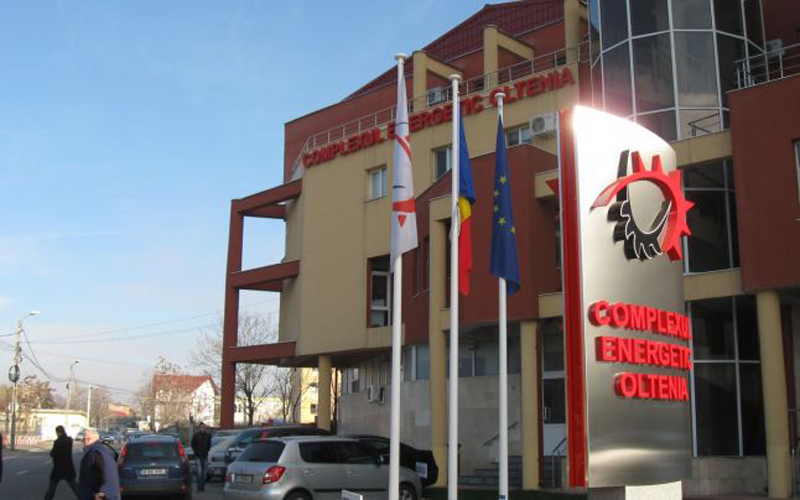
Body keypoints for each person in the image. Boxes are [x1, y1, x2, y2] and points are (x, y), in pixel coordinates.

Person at [78, 429, 120, 500]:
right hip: (109, 493)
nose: (86, 442)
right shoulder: (101, 449)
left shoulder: (95, 453)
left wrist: (97, 491)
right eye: (84, 440)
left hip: (102, 495)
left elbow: (100, 472)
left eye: (88, 439)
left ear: (96, 439)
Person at [44, 425, 79, 499]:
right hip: (68, 466)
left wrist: (52, 453)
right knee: (74, 485)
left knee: (52, 487)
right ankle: (83, 497)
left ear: (58, 432)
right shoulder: (69, 440)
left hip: (58, 467)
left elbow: (53, 453)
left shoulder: (58, 442)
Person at [190, 422, 212, 492]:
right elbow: (192, 444)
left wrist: (207, 450)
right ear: (199, 428)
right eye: (201, 427)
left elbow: (209, 444)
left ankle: (202, 487)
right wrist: (196, 452)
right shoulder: (196, 435)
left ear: (205, 428)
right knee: (199, 472)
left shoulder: (208, 436)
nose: (203, 428)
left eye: (204, 427)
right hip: (198, 456)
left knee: (204, 473)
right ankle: (199, 488)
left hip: (205, 456)